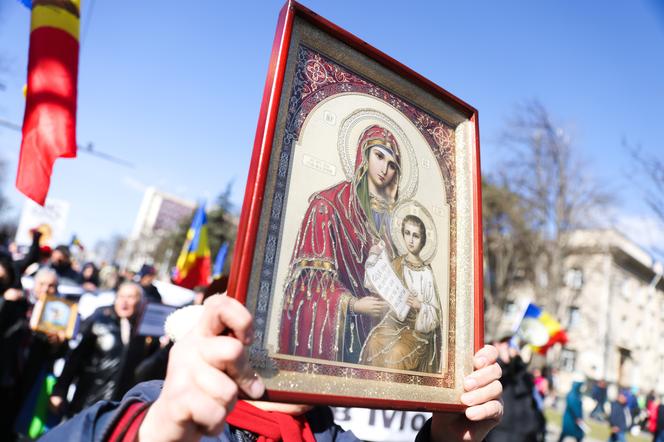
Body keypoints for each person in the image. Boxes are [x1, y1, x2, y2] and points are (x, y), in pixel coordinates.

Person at [41, 294, 504, 441]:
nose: (313, 342)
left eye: (331, 328)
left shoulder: (333, 437)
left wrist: (443, 439)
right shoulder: (166, 408)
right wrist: (156, 431)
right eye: (295, 320)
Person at [279, 124, 406, 363]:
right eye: (379, 156)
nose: (384, 169)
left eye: (392, 165)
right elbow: (308, 286)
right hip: (346, 336)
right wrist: (353, 304)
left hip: (379, 336)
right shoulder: (327, 207)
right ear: (364, 155)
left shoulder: (389, 223)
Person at [49, 282, 160, 416]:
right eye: (120, 296)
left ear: (141, 302)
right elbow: (75, 358)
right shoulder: (100, 319)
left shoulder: (144, 332)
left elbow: (148, 370)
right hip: (88, 401)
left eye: (130, 297)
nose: (124, 302)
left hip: (120, 407)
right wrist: (59, 391)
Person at [360, 213, 441, 372]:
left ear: (422, 240)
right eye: (407, 233)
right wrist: (374, 255)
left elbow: (435, 315)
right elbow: (373, 283)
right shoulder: (397, 263)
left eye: (416, 236)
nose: (410, 240)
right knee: (374, 342)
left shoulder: (426, 273)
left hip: (416, 330)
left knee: (397, 352)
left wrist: (419, 306)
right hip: (395, 322)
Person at [485, 337, 545, 442]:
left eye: (509, 342)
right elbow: (499, 377)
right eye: (503, 342)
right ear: (494, 345)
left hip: (526, 435)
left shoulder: (521, 373)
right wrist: (502, 361)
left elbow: (524, 388)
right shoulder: (491, 367)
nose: (508, 346)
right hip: (501, 434)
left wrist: (519, 361)